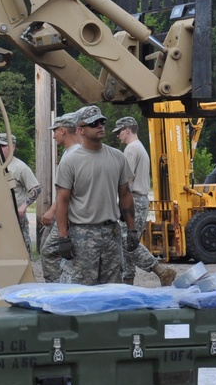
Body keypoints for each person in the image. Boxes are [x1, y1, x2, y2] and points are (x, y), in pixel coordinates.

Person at [53, 105, 138, 285]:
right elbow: (62, 201)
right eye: (93, 123)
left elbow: (125, 195)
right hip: (82, 234)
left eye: (101, 122)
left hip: (111, 233)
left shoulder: (117, 157)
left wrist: (131, 229)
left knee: (111, 288)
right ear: (80, 130)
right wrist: (63, 237)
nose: (100, 126)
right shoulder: (70, 161)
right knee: (81, 290)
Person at [113, 116, 177, 287]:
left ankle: (161, 271)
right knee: (127, 243)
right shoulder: (139, 147)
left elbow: (127, 179)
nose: (118, 135)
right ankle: (127, 283)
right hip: (139, 199)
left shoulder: (131, 149)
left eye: (119, 131)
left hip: (133, 199)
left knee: (127, 242)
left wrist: (121, 204)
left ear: (127, 129)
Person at [39, 112, 80, 282]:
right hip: (68, 213)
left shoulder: (73, 155)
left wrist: (51, 211)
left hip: (70, 214)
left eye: (55, 131)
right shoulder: (69, 152)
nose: (53, 135)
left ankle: (57, 287)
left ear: (63, 130)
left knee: (49, 251)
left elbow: (66, 192)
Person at [0, 132, 40, 255]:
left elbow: (36, 189)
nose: (0, 149)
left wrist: (23, 206)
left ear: (13, 147)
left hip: (16, 217)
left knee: (21, 252)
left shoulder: (19, 167)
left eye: (3, 146)